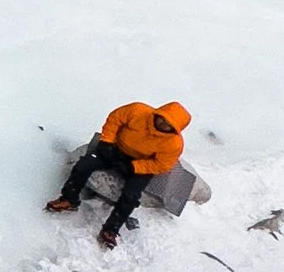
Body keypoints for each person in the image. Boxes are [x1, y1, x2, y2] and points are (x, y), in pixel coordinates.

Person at [46, 99, 191, 247]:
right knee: (84, 165)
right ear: (159, 113)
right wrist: (107, 142)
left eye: (169, 125)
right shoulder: (137, 111)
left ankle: (111, 229)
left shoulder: (174, 144)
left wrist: (136, 167)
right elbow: (115, 119)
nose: (164, 124)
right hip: (116, 149)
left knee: (131, 196)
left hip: (141, 164)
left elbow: (162, 165)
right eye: (164, 119)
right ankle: (69, 199)